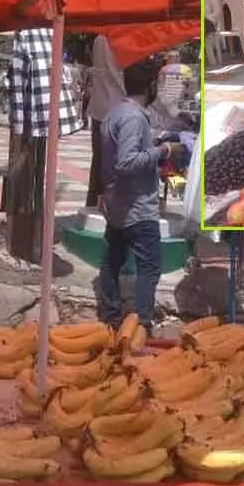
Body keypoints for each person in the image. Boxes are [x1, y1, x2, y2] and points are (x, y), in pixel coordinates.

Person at [97, 58, 183, 334]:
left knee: (111, 262)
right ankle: (141, 325)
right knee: (149, 267)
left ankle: (110, 319)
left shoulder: (114, 113)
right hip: (137, 207)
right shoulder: (134, 118)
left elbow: (109, 157)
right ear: (151, 85)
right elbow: (126, 162)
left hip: (119, 205)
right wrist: (164, 151)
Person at [85, 35, 126, 207]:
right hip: (121, 109)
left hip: (100, 109)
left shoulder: (99, 39)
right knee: (117, 167)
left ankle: (93, 207)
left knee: (99, 165)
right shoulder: (126, 38)